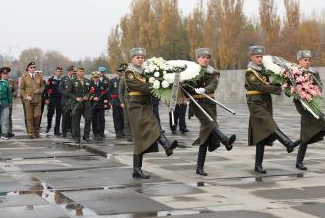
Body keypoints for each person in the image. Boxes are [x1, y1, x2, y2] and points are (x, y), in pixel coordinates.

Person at [245, 45, 300, 174]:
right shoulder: (250, 73)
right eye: (257, 56)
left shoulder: (264, 70)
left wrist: (284, 81)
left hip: (265, 102)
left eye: (261, 56)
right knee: (269, 123)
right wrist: (278, 89)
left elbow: (270, 82)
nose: (259, 59)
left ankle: (258, 165)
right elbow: (262, 86)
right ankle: (287, 143)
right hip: (255, 103)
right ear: (251, 57)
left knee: (261, 135)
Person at [124, 47, 178, 179]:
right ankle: (166, 145)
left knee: (151, 128)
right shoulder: (130, 72)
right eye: (138, 57)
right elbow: (140, 87)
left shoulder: (145, 72)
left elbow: (150, 83)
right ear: (132, 59)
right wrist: (158, 86)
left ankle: (138, 169)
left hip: (145, 105)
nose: (140, 59)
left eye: (142, 57)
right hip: (136, 106)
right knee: (146, 131)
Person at [185, 47, 236, 176]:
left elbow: (213, 86)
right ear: (197, 58)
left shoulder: (214, 72)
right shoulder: (190, 72)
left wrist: (204, 89)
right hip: (197, 103)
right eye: (203, 57)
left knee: (206, 133)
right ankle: (225, 140)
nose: (206, 59)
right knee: (210, 123)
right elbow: (185, 85)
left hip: (210, 102)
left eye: (208, 58)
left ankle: (199, 167)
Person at [67, 67, 92, 144]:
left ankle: (86, 136)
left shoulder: (87, 81)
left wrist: (88, 96)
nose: (82, 73)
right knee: (76, 121)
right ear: (77, 72)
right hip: (76, 104)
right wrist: (76, 98)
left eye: (83, 71)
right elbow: (68, 92)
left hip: (86, 104)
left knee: (88, 119)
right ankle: (77, 137)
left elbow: (91, 91)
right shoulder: (72, 81)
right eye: (80, 71)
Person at [19, 62, 45, 139]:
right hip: (29, 100)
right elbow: (21, 89)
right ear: (28, 68)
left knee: (37, 116)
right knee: (29, 117)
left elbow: (43, 86)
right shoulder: (24, 76)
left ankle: (36, 131)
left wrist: (40, 90)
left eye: (34, 67)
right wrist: (25, 96)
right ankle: (30, 133)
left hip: (37, 100)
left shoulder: (39, 76)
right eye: (31, 67)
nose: (33, 68)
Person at [107, 66, 126, 138]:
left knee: (124, 117)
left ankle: (123, 130)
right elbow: (109, 92)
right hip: (115, 102)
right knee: (116, 117)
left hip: (124, 102)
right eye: (120, 73)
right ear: (117, 73)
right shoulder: (112, 81)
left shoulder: (125, 81)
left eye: (122, 73)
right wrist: (110, 101)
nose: (121, 74)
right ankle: (118, 131)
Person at [44, 67, 63, 136]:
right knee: (50, 114)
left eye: (60, 71)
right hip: (52, 98)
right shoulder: (51, 80)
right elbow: (46, 90)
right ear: (55, 72)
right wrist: (46, 99)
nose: (59, 73)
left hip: (60, 99)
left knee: (59, 115)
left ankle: (56, 130)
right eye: (58, 71)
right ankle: (48, 127)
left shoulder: (63, 80)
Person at [90, 71, 108, 139]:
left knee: (101, 119)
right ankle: (95, 132)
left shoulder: (102, 84)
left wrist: (106, 104)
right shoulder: (90, 85)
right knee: (94, 119)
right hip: (93, 104)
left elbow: (106, 95)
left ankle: (101, 132)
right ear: (93, 78)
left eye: (97, 77)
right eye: (94, 77)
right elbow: (88, 94)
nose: (96, 79)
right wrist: (93, 98)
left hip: (100, 104)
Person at [59, 65, 75, 138]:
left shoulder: (75, 79)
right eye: (72, 71)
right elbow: (60, 89)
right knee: (65, 117)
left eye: (73, 71)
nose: (73, 72)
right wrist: (67, 93)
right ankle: (64, 132)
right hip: (65, 101)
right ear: (69, 71)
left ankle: (73, 132)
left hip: (73, 101)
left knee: (73, 118)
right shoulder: (63, 79)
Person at [118, 63, 132, 141]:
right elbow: (120, 92)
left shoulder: (132, 78)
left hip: (133, 101)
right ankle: (128, 135)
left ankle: (134, 134)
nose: (124, 72)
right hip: (126, 102)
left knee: (134, 119)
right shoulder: (122, 80)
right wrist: (122, 102)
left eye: (126, 70)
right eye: (123, 71)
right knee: (127, 120)